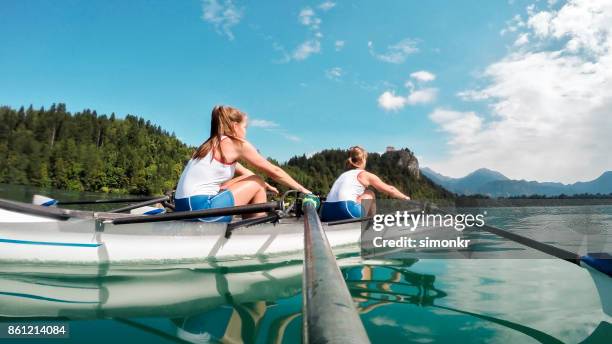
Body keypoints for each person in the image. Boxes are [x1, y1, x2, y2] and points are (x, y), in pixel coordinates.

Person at [175, 105, 312, 222]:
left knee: (257, 181)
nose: (245, 131)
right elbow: (273, 171)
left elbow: (247, 174)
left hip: (182, 208)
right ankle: (257, 231)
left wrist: (267, 185)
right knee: (257, 182)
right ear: (235, 127)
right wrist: (302, 190)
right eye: (244, 127)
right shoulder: (235, 144)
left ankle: (251, 225)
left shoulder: (210, 145)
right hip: (200, 211)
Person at [320, 146, 410, 222]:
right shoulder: (364, 174)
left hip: (326, 213)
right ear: (362, 160)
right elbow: (390, 190)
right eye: (365, 159)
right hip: (346, 211)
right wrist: (405, 198)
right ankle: (372, 223)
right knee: (370, 193)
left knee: (358, 196)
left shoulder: (343, 175)